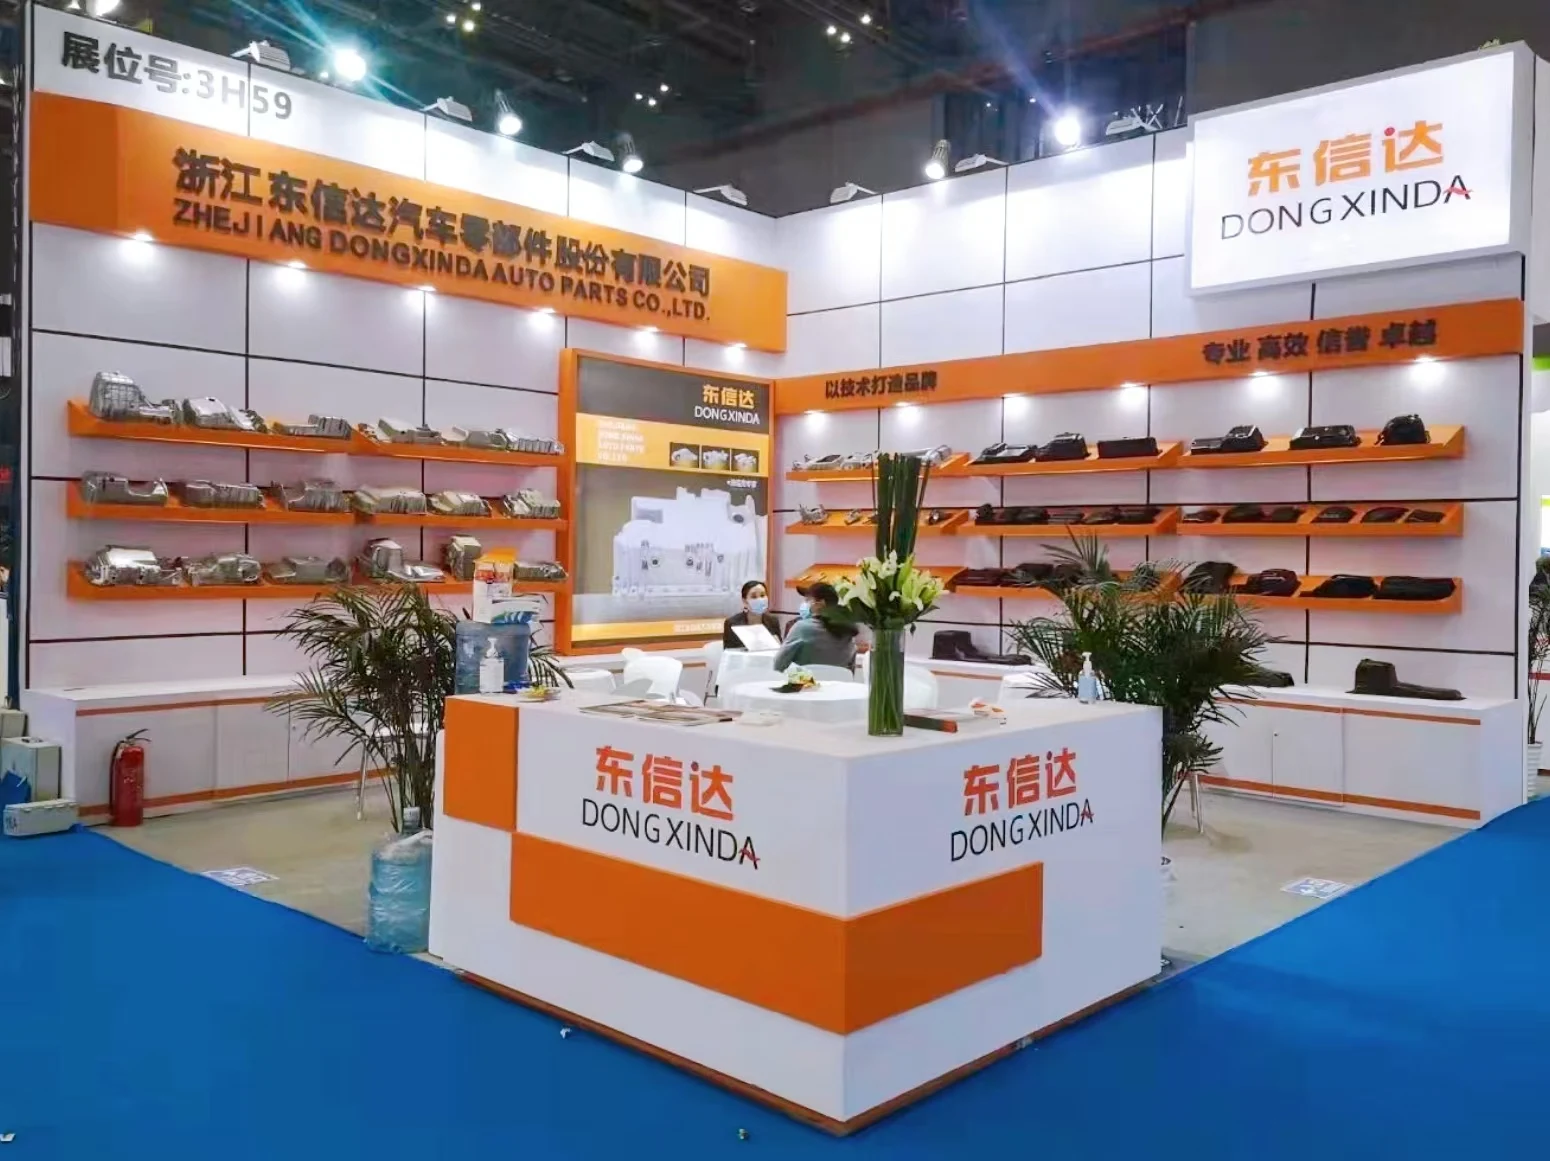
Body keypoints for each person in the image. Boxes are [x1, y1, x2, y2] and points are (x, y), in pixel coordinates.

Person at [774, 581, 858, 672]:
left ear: (820, 603)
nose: (805, 604)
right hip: (839, 681)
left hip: (807, 681)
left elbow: (778, 664)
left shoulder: (802, 628)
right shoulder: (848, 631)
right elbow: (850, 670)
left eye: (808, 600)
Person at [722, 580, 783, 649]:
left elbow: (780, 650)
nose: (760, 599)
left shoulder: (773, 621)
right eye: (754, 596)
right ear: (745, 601)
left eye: (762, 595)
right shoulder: (732, 623)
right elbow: (729, 651)